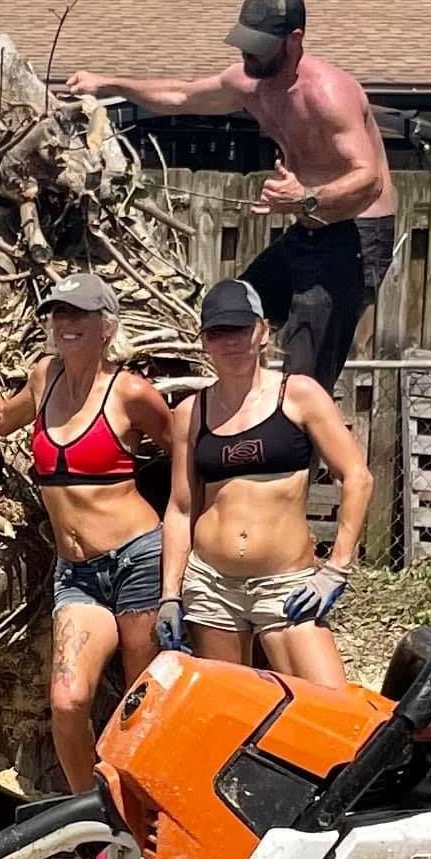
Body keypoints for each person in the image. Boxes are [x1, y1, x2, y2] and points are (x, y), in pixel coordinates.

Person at [0, 273, 172, 859]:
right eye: (57, 314)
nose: (64, 324)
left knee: (143, 703)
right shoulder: (43, 377)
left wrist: (198, 531)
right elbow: (2, 418)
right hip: (77, 573)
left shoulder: (130, 393)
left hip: (137, 558)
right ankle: (98, 835)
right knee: (68, 701)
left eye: (78, 315)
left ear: (106, 327)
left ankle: (156, 829)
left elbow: (184, 450)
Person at [67, 0, 396, 392]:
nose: (247, 55)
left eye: (258, 46)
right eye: (244, 42)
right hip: (309, 228)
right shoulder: (250, 83)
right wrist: (109, 84)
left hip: (356, 236)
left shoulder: (327, 94)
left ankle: (299, 451)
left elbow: (369, 178)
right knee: (233, 311)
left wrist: (306, 197)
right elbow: (181, 94)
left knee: (305, 376)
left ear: (294, 40)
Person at [157, 279, 372, 686]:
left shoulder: (298, 395)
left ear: (262, 331)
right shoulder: (192, 412)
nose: (231, 342)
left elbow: (357, 477)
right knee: (232, 708)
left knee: (326, 705)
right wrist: (171, 593)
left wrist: (336, 569)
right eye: (219, 332)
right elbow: (181, 507)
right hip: (211, 586)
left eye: (241, 329)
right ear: (204, 341)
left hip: (286, 586)